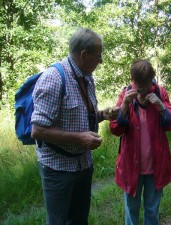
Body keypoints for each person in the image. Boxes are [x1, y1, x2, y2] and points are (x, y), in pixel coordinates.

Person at [31, 28, 119, 225]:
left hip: (83, 165)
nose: (101, 61)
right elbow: (38, 130)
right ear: (83, 55)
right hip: (58, 169)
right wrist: (81, 138)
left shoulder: (87, 77)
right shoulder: (53, 78)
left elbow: (79, 116)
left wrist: (102, 115)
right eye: (98, 57)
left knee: (79, 220)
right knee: (58, 221)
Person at [109, 59, 171, 225]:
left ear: (151, 79)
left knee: (152, 210)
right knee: (131, 210)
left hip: (156, 166)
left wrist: (161, 107)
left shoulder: (160, 93)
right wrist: (125, 105)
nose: (142, 88)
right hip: (131, 166)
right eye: (138, 83)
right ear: (133, 80)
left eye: (146, 83)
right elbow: (115, 129)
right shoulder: (126, 94)